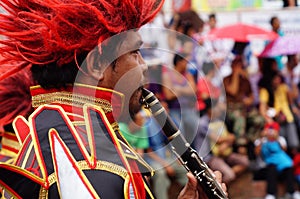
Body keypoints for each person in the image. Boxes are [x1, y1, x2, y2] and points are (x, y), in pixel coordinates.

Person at [0, 0, 227, 198]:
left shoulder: (56, 129)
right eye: (135, 53)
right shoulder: (93, 164)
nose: (144, 66)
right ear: (98, 65)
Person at [255, 122, 300, 199]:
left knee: (288, 169)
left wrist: (276, 139)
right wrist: (262, 138)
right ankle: (271, 193)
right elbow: (257, 152)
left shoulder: (280, 139)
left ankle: (292, 191)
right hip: (267, 167)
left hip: (282, 166)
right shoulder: (260, 141)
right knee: (272, 169)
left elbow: (284, 151)